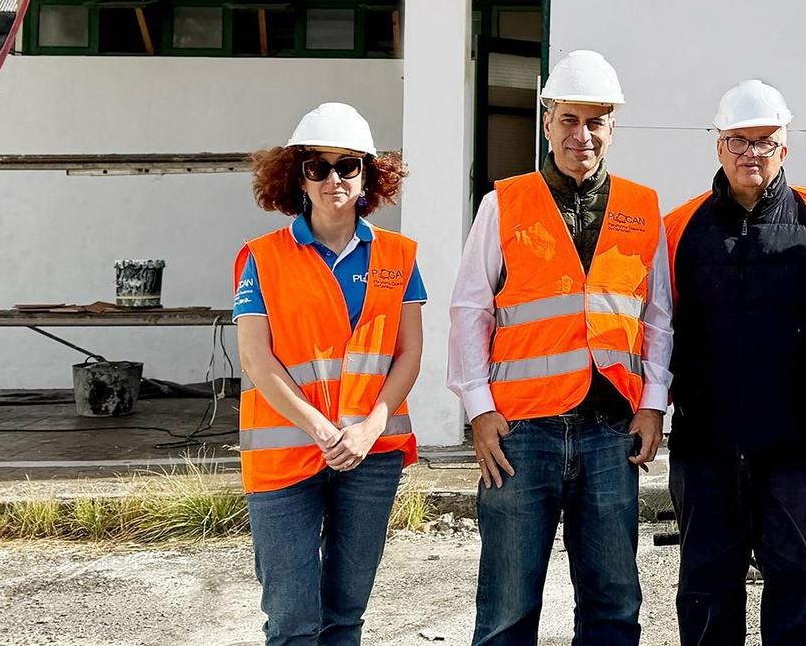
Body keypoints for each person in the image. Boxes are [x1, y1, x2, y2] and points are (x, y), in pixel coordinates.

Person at [450, 49, 673, 646]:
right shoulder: (504, 204)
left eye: (595, 120)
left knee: (613, 604)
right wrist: (478, 408)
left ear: (612, 126)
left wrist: (653, 403)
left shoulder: (641, 207)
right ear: (547, 121)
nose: (582, 134)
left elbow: (657, 316)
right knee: (507, 608)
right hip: (523, 433)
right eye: (569, 119)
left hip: (610, 431)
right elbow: (470, 310)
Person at [662, 80, 806, 646]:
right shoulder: (679, 227)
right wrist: (645, 409)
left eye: (764, 141)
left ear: (784, 147)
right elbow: (655, 330)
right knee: (707, 583)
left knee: (796, 579)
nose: (750, 153)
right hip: (704, 441)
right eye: (738, 140)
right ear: (718, 145)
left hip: (793, 439)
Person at [233, 102, 425, 646]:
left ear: (368, 175)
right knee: (293, 622)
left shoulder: (399, 256)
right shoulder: (261, 258)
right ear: (298, 175)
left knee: (345, 615)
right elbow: (256, 359)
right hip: (285, 457)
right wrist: (321, 428)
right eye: (318, 166)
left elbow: (409, 353)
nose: (334, 178)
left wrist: (367, 428)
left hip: (370, 455)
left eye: (348, 165)